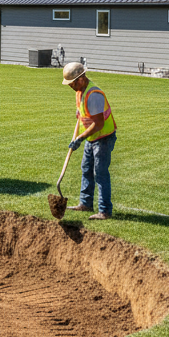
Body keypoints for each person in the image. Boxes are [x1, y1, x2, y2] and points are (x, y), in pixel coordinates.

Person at [61, 61, 117, 220]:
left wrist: (80, 138)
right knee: (86, 169)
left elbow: (98, 124)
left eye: (71, 83)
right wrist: (77, 133)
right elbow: (81, 116)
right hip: (91, 138)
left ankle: (105, 211)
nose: (70, 86)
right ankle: (85, 204)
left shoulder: (94, 95)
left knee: (100, 174)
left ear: (80, 79)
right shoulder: (79, 92)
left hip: (103, 138)